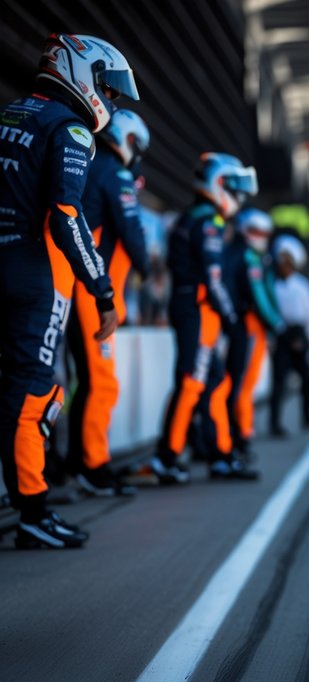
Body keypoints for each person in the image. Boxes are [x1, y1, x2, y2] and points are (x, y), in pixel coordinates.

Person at [0, 34, 138, 548]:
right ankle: (33, 513)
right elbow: (66, 216)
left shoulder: (11, 114)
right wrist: (102, 290)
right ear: (83, 74)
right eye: (110, 87)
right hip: (32, 276)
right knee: (33, 392)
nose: (111, 99)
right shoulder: (71, 129)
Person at [150, 152, 259, 484]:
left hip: (194, 307)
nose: (238, 197)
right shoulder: (208, 221)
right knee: (192, 382)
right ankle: (167, 458)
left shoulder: (193, 217)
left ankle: (221, 455)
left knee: (215, 382)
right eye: (235, 188)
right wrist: (232, 317)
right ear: (219, 184)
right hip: (197, 310)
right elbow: (213, 280)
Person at [65, 108, 150, 497]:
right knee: (101, 383)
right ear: (127, 139)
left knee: (86, 381)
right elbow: (132, 231)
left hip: (79, 287)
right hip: (93, 294)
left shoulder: (93, 165)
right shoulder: (115, 173)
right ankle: (93, 467)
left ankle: (75, 464)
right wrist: (147, 267)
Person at [220, 208, 285, 460]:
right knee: (242, 384)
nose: (262, 237)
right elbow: (258, 296)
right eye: (257, 232)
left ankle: (235, 436)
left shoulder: (243, 254)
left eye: (265, 233)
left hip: (241, 325)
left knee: (238, 382)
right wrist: (276, 323)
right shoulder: (248, 257)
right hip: (247, 326)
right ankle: (239, 437)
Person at [270, 234, 309, 435]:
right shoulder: (272, 284)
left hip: (300, 334)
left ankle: (308, 417)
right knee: (279, 383)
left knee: (308, 380)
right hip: (281, 334)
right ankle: (275, 423)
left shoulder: (302, 286)